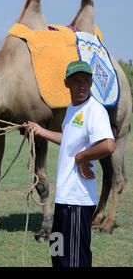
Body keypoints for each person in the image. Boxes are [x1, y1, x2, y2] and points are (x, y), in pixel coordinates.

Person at [24, 60, 115, 267]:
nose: (81, 86)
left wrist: (82, 157)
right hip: (64, 198)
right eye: (76, 81)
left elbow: (109, 145)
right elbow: (67, 138)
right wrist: (39, 130)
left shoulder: (95, 111)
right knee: (58, 253)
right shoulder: (72, 109)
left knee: (74, 261)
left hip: (78, 200)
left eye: (85, 81)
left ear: (91, 83)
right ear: (66, 83)